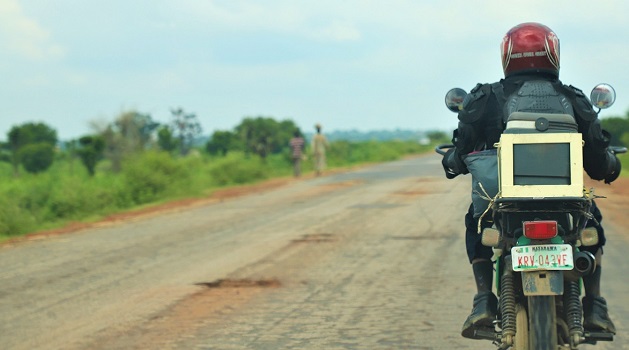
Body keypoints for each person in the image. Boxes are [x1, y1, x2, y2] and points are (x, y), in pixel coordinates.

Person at [441, 22, 621, 339]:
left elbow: (464, 148)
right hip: (564, 201)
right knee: (592, 222)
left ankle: (484, 300)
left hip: (505, 202)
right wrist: (610, 165)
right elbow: (596, 158)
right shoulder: (573, 98)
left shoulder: (484, 98)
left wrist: (454, 161)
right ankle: (594, 305)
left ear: (507, 55)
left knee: (477, 220)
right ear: (553, 54)